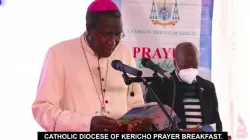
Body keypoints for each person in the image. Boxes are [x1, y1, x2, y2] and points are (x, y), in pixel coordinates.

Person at [32, 0, 152, 132]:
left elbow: (135, 103)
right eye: (106, 34)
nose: (112, 42)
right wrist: (87, 124)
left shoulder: (124, 52)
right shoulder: (59, 53)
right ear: (89, 29)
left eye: (117, 34)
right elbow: (43, 110)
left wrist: (137, 124)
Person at [145, 42, 223, 132]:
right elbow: (152, 128)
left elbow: (217, 124)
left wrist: (207, 131)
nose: (190, 70)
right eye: (185, 66)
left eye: (194, 66)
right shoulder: (158, 87)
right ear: (175, 63)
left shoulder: (208, 87)